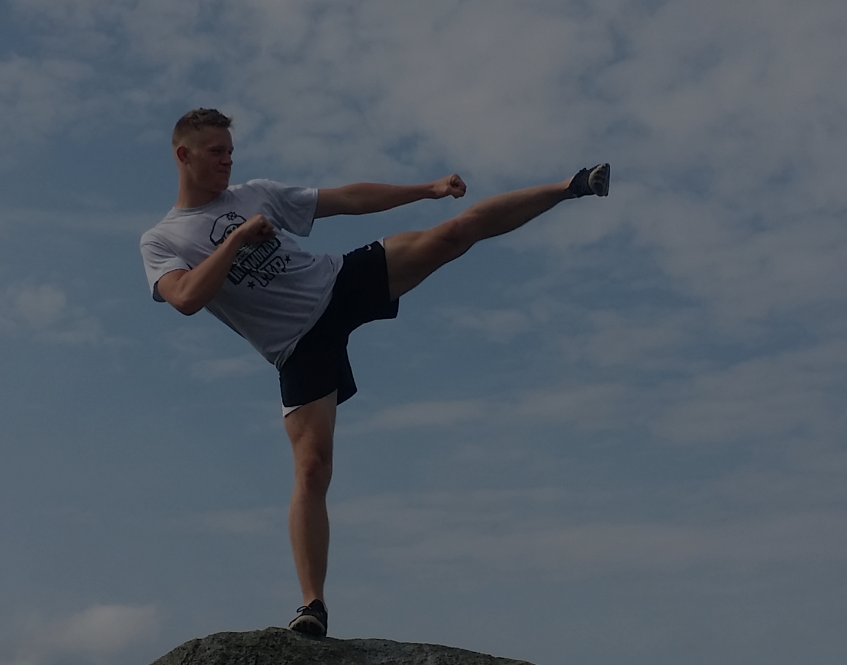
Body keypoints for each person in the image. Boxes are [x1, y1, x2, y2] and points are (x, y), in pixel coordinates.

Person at [140, 108, 609, 638]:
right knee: (311, 470)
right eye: (216, 152)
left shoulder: (256, 194)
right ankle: (312, 606)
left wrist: (428, 189)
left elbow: (346, 199)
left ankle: (572, 185)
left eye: (230, 150)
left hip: (338, 282)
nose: (228, 161)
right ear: (184, 155)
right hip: (297, 346)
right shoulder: (162, 240)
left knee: (454, 233)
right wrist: (235, 241)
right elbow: (185, 297)